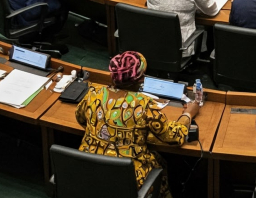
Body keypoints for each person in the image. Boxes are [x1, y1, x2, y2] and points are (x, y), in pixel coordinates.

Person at [77, 51, 196, 198]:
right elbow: (174, 137)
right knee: (160, 163)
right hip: (128, 177)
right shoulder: (144, 105)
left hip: (89, 170)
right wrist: (188, 114)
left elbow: (81, 118)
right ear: (141, 79)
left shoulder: (94, 94)